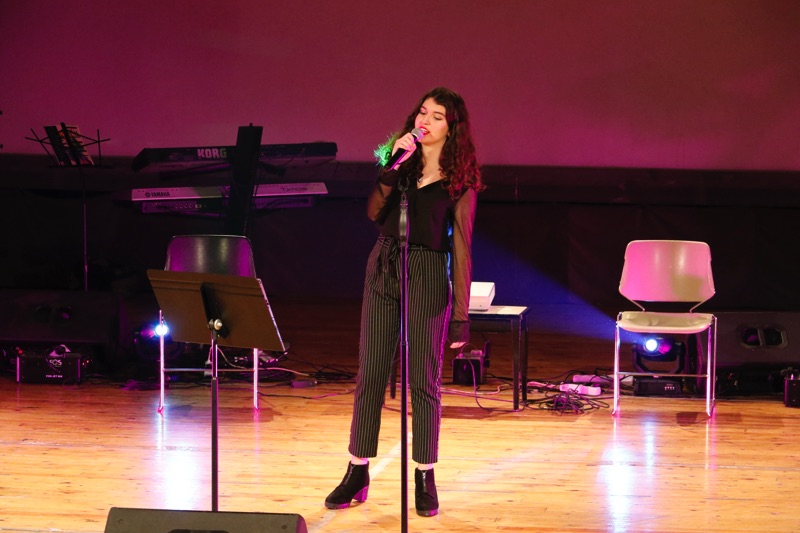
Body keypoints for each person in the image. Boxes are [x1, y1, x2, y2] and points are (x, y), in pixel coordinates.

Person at [325, 87, 484, 517]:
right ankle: (357, 470)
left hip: (428, 270)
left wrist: (461, 316)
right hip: (384, 263)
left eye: (436, 116)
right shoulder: (400, 164)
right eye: (422, 112)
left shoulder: (460, 182)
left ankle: (424, 474)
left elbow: (463, 249)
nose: (424, 121)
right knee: (371, 372)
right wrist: (393, 166)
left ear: (452, 129)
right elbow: (374, 212)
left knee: (423, 381)